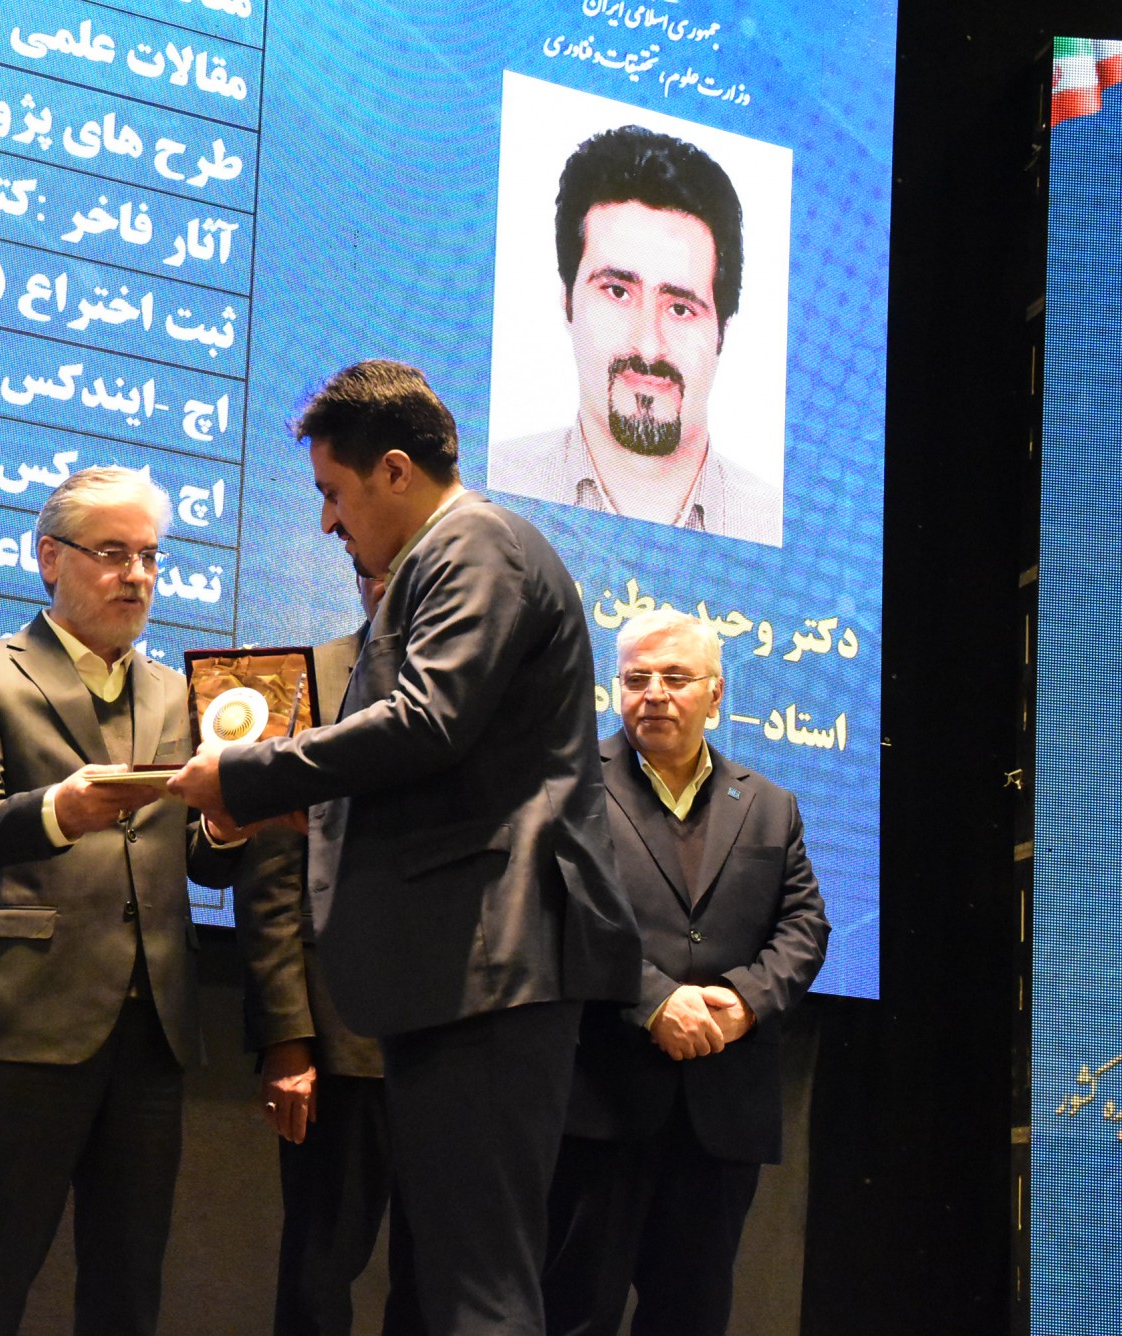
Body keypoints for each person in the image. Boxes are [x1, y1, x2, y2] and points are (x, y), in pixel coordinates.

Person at [168, 359, 641, 1335]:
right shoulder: (444, 562)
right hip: (462, 967)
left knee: (478, 1290)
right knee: (464, 1283)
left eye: (332, 493)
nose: (326, 523)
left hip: (493, 965)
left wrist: (249, 776)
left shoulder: (473, 543)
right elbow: (451, 769)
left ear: (393, 470)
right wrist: (308, 815)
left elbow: (428, 722)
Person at [0, 466, 241, 1336]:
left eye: (150, 556)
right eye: (112, 554)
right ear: (50, 558)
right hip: (25, 1019)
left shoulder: (181, 693)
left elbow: (200, 861)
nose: (136, 576)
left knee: (129, 1290)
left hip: (153, 1028)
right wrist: (60, 811)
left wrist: (231, 830)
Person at [542, 609, 828, 1336]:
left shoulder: (769, 805)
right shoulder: (569, 785)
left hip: (722, 1110)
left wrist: (743, 1001)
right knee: (575, 1313)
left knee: (693, 1318)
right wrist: (655, 1002)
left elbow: (805, 928)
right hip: (601, 1101)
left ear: (716, 693)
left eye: (675, 677)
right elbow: (558, 913)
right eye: (637, 678)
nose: (655, 694)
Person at [232, 572, 425, 1336]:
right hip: (340, 1043)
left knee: (441, 1280)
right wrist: (287, 1039)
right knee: (319, 1269)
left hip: (458, 1042)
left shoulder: (486, 692)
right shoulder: (302, 680)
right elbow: (270, 881)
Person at [489, 125, 780, 545]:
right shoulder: (489, 488)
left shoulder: (770, 524)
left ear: (722, 332)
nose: (647, 346)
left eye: (680, 308)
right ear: (568, 301)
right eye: (618, 292)